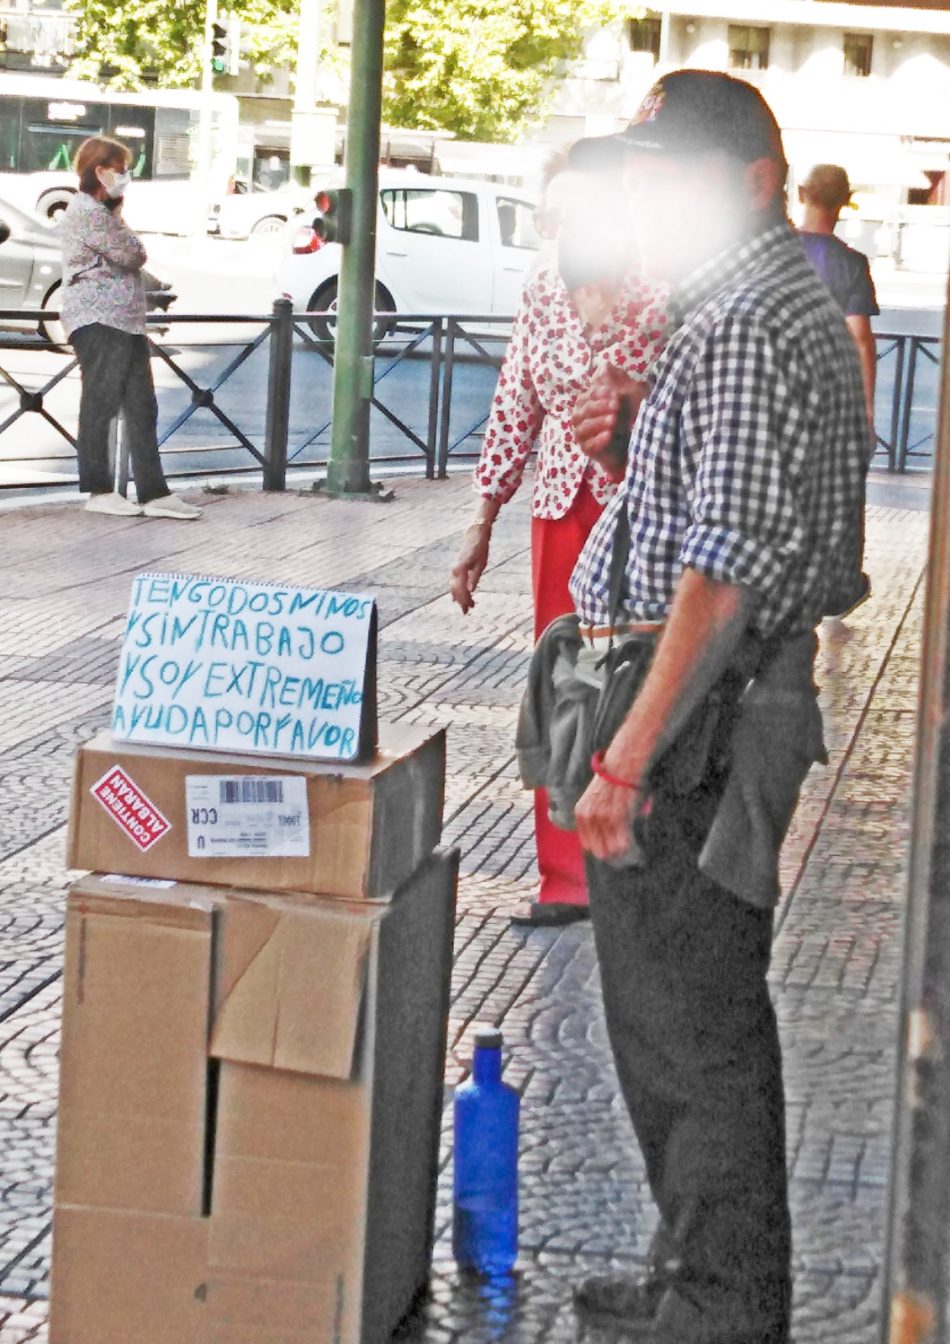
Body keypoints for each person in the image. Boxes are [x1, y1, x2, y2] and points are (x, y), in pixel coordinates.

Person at [564, 71, 870, 1342]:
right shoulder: (735, 308)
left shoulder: (746, 312)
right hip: (701, 702)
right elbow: (721, 506)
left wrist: (627, 760)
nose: (648, 202)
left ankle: (721, 1306)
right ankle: (699, 1272)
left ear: (749, 185)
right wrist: (632, 440)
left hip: (697, 718)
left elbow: (726, 567)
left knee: (690, 1022)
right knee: (677, 1014)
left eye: (670, 179)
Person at [448, 150, 670, 927]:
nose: (562, 228)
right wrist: (481, 523)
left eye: (578, 213)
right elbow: (515, 404)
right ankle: (564, 877)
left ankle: (629, 861)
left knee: (629, 682)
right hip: (560, 510)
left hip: (637, 516)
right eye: (554, 214)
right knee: (564, 683)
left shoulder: (660, 287)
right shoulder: (543, 286)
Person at [60, 136, 202, 519]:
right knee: (100, 403)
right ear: (100, 171)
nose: (126, 176)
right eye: (121, 169)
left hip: (124, 321)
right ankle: (98, 490)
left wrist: (118, 214)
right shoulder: (88, 211)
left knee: (142, 406)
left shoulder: (102, 212)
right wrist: (120, 218)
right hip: (98, 319)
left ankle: (155, 492)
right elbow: (132, 254)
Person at [798, 163, 879, 429]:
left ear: (801, 194)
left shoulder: (774, 250)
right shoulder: (852, 264)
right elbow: (861, 340)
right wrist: (866, 411)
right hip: (828, 399)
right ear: (846, 201)